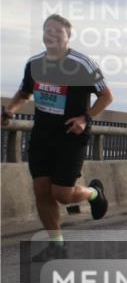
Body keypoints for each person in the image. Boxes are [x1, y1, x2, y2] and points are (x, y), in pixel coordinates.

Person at [2, 14, 112, 260]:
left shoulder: (82, 64)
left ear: (67, 37)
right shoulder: (34, 64)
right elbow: (24, 93)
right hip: (42, 135)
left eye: (57, 32)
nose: (51, 35)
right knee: (41, 189)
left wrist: (84, 118)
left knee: (62, 194)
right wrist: (10, 110)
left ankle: (94, 193)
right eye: (47, 31)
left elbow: (106, 96)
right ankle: (57, 245)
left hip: (71, 136)